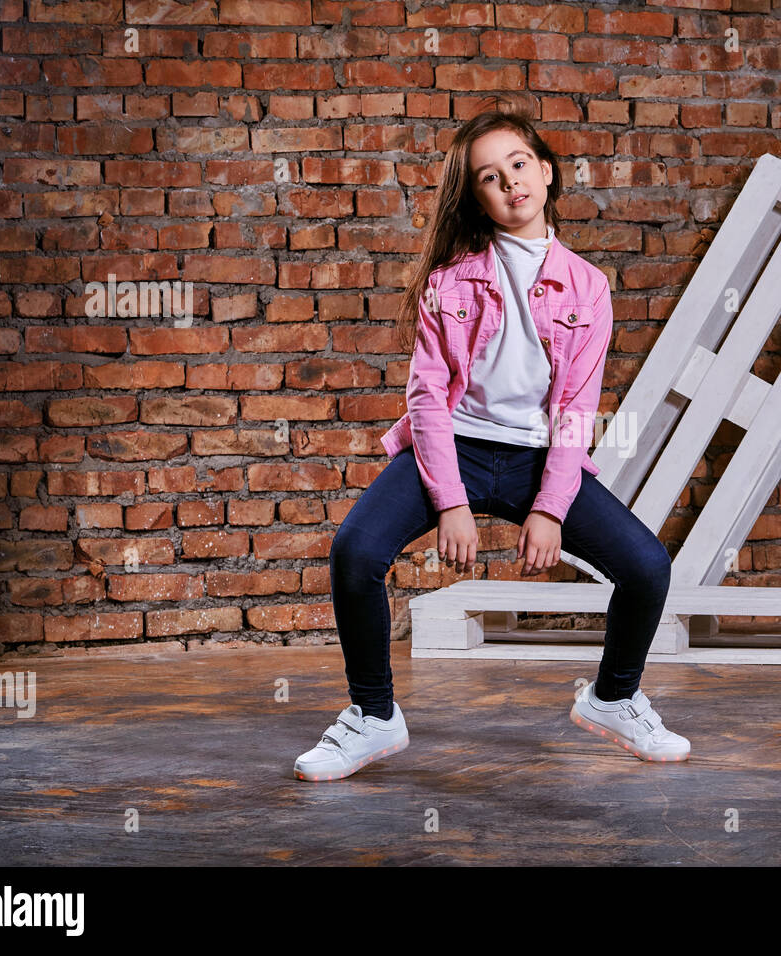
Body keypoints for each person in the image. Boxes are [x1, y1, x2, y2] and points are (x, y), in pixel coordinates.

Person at [294, 92, 690, 781]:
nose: (511, 183)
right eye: (489, 176)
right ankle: (372, 717)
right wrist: (449, 500)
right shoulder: (449, 283)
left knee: (648, 566)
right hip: (456, 449)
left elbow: (575, 407)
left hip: (542, 462)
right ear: (477, 198)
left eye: (520, 163)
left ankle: (614, 700)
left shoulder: (588, 287)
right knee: (355, 551)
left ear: (546, 171)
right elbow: (425, 398)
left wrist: (550, 509)